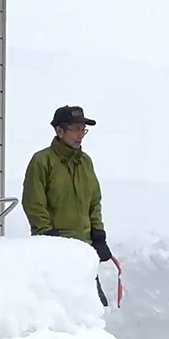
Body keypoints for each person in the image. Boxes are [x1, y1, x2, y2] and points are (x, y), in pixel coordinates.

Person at [21, 105, 113, 306]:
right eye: (75, 129)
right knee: (62, 309)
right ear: (59, 131)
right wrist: (46, 234)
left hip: (84, 250)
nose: (80, 135)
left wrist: (98, 234)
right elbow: (33, 202)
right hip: (55, 251)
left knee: (96, 308)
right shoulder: (42, 161)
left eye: (83, 129)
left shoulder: (86, 162)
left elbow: (94, 201)